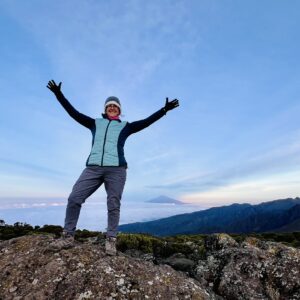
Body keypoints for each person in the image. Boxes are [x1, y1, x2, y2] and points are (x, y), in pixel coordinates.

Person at [47, 80, 179, 255]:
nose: (112, 108)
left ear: (119, 110)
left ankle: (111, 240)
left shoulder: (126, 126)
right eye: (109, 106)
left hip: (116, 169)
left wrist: (163, 111)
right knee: (74, 198)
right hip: (93, 168)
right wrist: (59, 94)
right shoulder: (94, 123)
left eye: (115, 106)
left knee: (113, 203)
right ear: (105, 109)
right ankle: (68, 236)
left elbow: (146, 122)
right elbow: (73, 112)